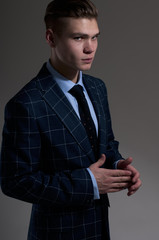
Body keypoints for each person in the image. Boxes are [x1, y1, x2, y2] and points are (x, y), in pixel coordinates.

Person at [0, 0, 141, 239]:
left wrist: (118, 167)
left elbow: (105, 145)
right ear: (51, 38)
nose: (90, 48)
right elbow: (15, 181)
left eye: (94, 37)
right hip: (56, 232)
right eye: (78, 38)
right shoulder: (26, 103)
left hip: (98, 228)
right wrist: (88, 183)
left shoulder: (97, 88)